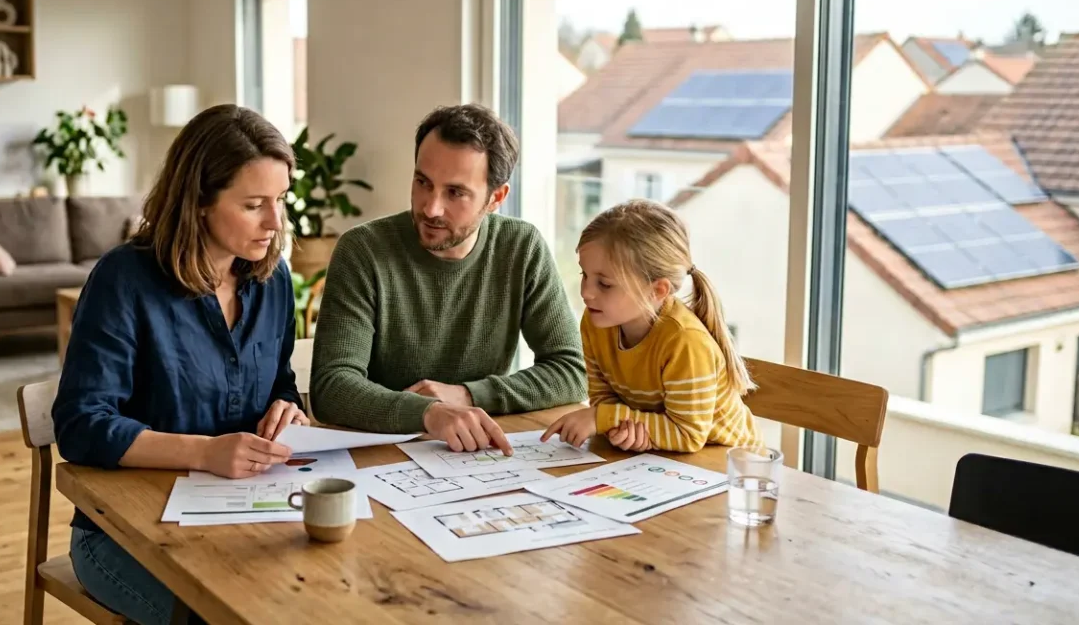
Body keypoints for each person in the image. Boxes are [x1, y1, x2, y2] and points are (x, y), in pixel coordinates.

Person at [51, 105, 307, 625]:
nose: (274, 222)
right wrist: (206, 452)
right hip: (124, 534)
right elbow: (80, 426)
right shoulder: (124, 279)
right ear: (199, 202)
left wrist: (287, 409)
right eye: (253, 205)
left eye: (280, 200)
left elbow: (280, 382)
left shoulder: (273, 279)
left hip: (246, 514)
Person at [310, 104, 586, 453]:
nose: (431, 208)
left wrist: (468, 395)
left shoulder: (521, 247)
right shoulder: (363, 251)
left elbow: (570, 371)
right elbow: (332, 388)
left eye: (455, 192)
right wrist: (429, 412)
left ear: (496, 198)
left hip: (475, 450)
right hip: (380, 452)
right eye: (422, 182)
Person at [543, 199, 761, 452]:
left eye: (605, 284)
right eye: (585, 275)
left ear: (657, 290)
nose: (586, 293)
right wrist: (625, 429)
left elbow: (688, 435)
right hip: (666, 460)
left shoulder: (685, 342)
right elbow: (605, 400)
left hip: (730, 462)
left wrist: (603, 419)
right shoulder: (596, 323)